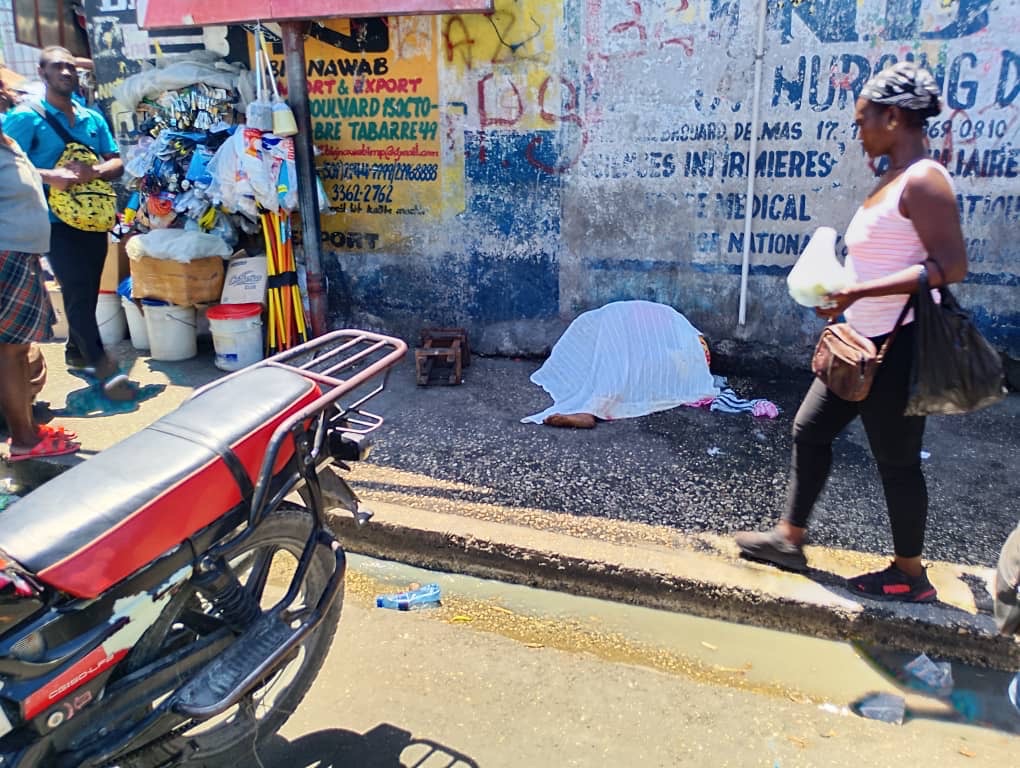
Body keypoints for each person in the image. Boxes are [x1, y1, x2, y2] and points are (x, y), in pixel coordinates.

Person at [734, 62, 968, 603]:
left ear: (893, 117)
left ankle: (910, 575)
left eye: (863, 120)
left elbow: (951, 266)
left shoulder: (925, 180)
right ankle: (788, 539)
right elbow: (880, 260)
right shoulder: (889, 179)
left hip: (898, 346)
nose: (858, 129)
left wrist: (859, 295)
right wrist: (840, 295)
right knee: (809, 429)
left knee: (898, 462)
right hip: (856, 342)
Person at [3, 46, 132, 399]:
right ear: (42, 73)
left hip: (92, 219)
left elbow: (116, 163)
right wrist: (51, 176)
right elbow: (8, 162)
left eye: (71, 67)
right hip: (51, 222)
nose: (66, 72)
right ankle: (102, 366)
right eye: (58, 67)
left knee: (88, 288)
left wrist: (95, 171)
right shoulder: (25, 118)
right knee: (76, 288)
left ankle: (76, 352)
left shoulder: (91, 117)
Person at [0, 113, 80, 460]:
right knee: (11, 351)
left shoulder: (7, 140)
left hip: (20, 253)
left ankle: (27, 429)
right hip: (7, 254)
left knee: (17, 351)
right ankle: (22, 439)